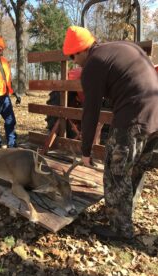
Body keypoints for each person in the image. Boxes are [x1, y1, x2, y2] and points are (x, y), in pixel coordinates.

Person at [63, 26, 158, 240]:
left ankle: (120, 230)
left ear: (81, 50)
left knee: (115, 173)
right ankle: (124, 213)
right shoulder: (120, 47)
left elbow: (90, 112)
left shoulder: (93, 65)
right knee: (133, 169)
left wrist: (85, 151)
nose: (73, 61)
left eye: (72, 56)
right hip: (155, 115)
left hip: (133, 117)